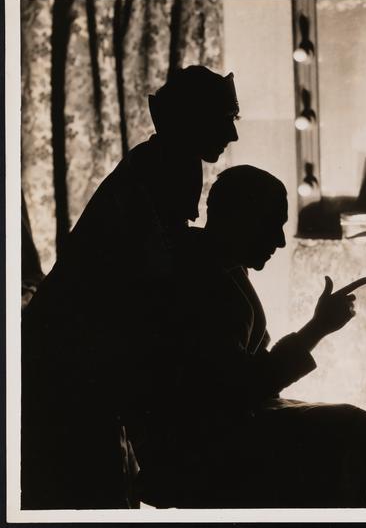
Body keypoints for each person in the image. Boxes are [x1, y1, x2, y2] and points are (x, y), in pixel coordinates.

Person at [133, 165, 366, 508]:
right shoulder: (198, 281)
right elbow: (242, 388)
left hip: (221, 425)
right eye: (272, 225)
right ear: (241, 220)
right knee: (349, 430)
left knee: (351, 438)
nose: (281, 241)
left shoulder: (220, 265)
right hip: (196, 450)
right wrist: (317, 328)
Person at [21, 66, 239, 509]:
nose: (232, 134)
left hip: (77, 350)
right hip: (68, 352)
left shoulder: (165, 161)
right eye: (223, 120)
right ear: (192, 122)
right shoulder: (163, 168)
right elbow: (156, 271)